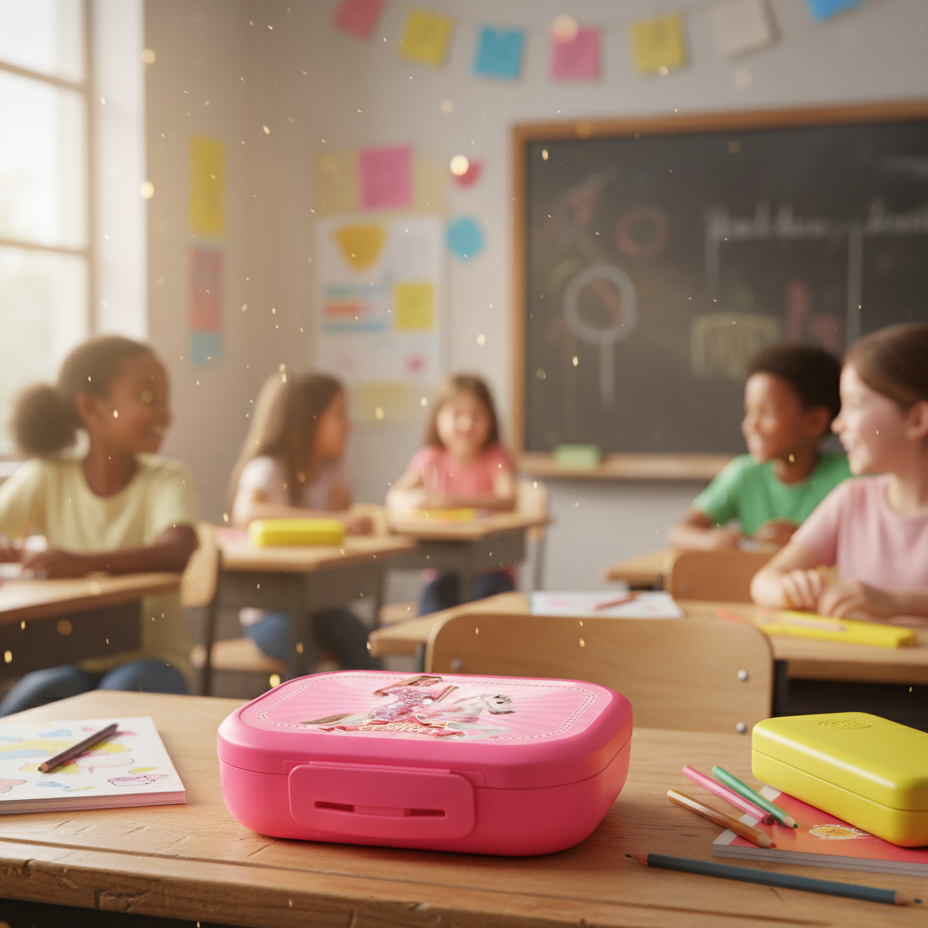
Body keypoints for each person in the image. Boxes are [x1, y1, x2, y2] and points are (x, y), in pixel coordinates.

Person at [0, 336, 198, 715]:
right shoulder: (48, 476)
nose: (164, 413)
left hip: (155, 658)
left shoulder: (168, 478)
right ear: (91, 407)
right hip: (74, 658)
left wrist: (83, 561)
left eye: (165, 398)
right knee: (21, 710)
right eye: (146, 397)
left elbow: (176, 553)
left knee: (115, 701)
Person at [751, 323, 928, 622]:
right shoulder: (852, 500)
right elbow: (763, 581)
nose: (837, 425)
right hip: (849, 668)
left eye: (854, 405)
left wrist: (897, 602)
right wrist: (788, 587)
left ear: (917, 419)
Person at [228, 371, 378, 667]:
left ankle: (375, 711)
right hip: (270, 614)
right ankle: (297, 713)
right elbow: (246, 514)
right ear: (307, 420)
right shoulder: (268, 469)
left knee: (358, 636)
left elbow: (343, 525)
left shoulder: (333, 470)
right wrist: (331, 521)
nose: (348, 426)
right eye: (338, 415)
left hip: (319, 606)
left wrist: (349, 520)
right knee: (299, 644)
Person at [669, 343, 850, 550]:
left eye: (767, 412)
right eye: (749, 411)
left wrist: (806, 542)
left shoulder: (850, 480)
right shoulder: (744, 474)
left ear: (815, 422)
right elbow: (678, 533)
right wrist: (717, 541)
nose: (750, 425)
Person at [387, 373, 515, 614]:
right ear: (438, 420)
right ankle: (429, 652)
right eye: (457, 415)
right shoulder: (431, 458)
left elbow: (508, 499)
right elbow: (395, 496)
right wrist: (418, 502)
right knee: (432, 611)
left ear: (491, 419)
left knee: (485, 615)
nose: (467, 424)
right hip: (444, 572)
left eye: (477, 415)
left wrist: (455, 502)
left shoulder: (495, 457)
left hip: (491, 571)